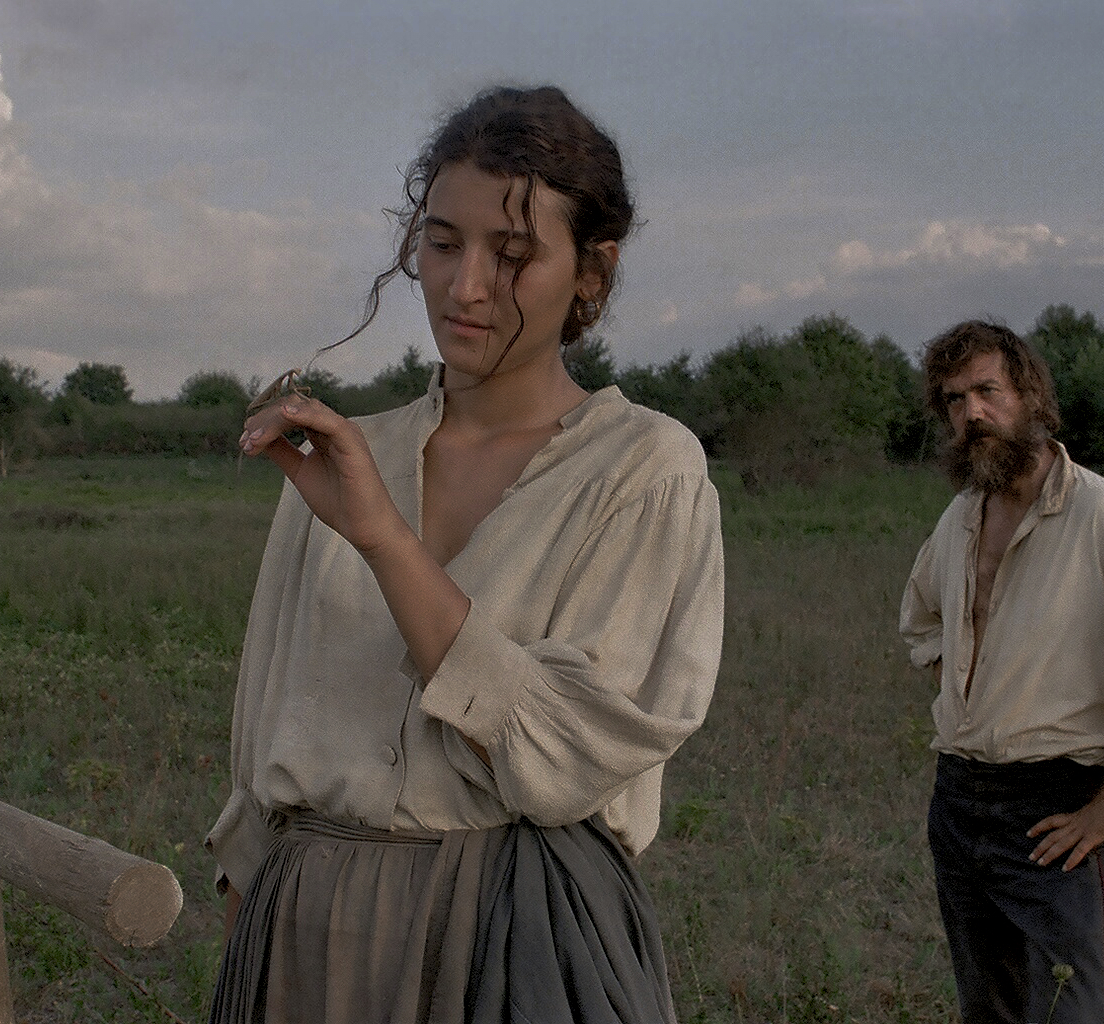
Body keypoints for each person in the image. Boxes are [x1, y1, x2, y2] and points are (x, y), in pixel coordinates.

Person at [205, 85, 724, 1024]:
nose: (465, 286)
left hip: (518, 933)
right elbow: (262, 737)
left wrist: (383, 540)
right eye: (442, 244)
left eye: (512, 255)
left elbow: (567, 754)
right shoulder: (344, 458)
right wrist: (251, 942)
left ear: (593, 272)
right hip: (305, 934)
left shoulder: (644, 470)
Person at [899, 320, 1104, 1023]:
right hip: (959, 800)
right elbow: (923, 619)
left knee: (1070, 1008)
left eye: (987, 391)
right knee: (988, 1009)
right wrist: (972, 693)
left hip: (1056, 806)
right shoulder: (960, 518)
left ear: (1029, 396)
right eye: (955, 400)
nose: (971, 413)